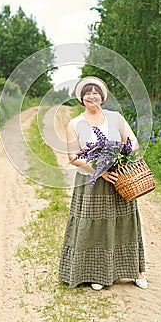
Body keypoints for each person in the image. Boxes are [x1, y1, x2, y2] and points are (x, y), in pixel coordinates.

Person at [58, 76, 147, 291]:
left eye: (95, 92)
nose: (92, 96)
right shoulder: (75, 124)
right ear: (81, 98)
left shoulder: (115, 118)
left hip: (119, 179)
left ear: (102, 96)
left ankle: (136, 271)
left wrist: (122, 153)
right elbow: (73, 156)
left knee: (125, 223)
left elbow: (132, 141)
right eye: (87, 93)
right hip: (91, 181)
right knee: (94, 225)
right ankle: (96, 272)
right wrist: (98, 170)